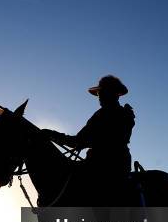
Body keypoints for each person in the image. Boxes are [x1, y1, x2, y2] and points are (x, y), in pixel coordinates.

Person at [41, 75, 135, 206]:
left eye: (102, 93)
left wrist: (51, 134)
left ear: (114, 94)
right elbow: (81, 140)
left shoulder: (113, 114)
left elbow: (83, 140)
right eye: (99, 94)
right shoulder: (109, 114)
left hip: (108, 167)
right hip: (103, 163)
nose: (99, 97)